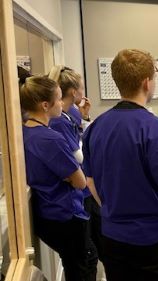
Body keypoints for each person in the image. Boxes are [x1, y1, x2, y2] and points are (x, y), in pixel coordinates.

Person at [82, 49, 158, 281]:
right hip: (153, 240)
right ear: (146, 83)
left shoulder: (95, 128)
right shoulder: (156, 130)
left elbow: (91, 183)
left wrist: (113, 211)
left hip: (112, 236)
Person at [20, 76, 97, 281]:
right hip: (65, 214)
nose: (63, 105)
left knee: (77, 263)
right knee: (83, 266)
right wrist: (71, 177)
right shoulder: (51, 139)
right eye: (59, 99)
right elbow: (80, 181)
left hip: (47, 212)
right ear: (46, 105)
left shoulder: (25, 132)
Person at [47, 65, 102, 258]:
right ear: (72, 91)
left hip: (84, 186)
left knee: (97, 238)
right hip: (79, 188)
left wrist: (85, 116)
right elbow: (78, 154)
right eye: (82, 88)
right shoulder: (59, 120)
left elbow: (81, 135)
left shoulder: (73, 112)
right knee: (88, 250)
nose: (83, 93)